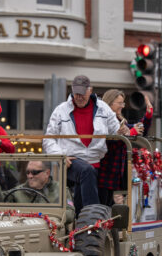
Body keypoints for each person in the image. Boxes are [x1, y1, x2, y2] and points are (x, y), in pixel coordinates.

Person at [43, 75, 120, 215]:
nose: (79, 97)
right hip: (72, 161)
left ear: (90, 91)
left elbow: (116, 131)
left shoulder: (103, 108)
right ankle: (93, 219)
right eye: (76, 93)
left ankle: (80, 223)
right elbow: (48, 139)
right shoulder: (61, 110)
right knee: (86, 171)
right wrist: (60, 156)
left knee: (87, 192)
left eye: (82, 93)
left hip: (97, 162)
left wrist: (124, 130)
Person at [97, 89, 152, 205]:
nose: (122, 106)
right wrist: (131, 132)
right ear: (110, 103)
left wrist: (148, 115)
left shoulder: (119, 121)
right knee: (102, 206)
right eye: (120, 103)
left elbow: (139, 129)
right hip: (105, 171)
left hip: (115, 173)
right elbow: (112, 142)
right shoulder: (102, 120)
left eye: (123, 103)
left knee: (108, 207)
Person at [0, 160, 75, 222]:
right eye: (28, 172)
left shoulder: (60, 190)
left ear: (47, 173)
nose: (30, 176)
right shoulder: (19, 190)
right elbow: (0, 201)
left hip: (51, 233)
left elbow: (70, 214)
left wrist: (48, 216)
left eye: (34, 172)